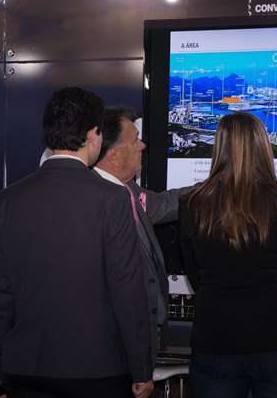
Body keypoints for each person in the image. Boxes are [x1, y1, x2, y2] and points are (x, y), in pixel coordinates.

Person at [0, 87, 154, 398]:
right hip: (95, 371)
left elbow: (1, 291)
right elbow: (127, 290)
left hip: (24, 369)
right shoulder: (113, 199)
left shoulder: (5, 201)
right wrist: (142, 369)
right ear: (92, 135)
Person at [178, 111, 277, 398]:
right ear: (262, 147)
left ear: (219, 147)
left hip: (215, 335)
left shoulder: (191, 204)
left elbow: (194, 274)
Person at [93, 105, 188, 363]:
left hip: (139, 340)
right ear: (113, 155)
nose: (143, 145)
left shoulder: (130, 191)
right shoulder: (93, 201)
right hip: (112, 346)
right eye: (135, 140)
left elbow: (165, 204)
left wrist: (218, 187)